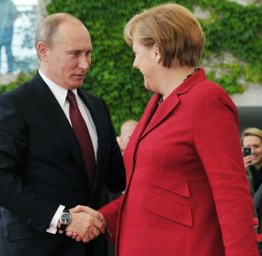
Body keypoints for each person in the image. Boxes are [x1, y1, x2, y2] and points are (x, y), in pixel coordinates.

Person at [72, 3, 259, 256]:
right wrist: (103, 217)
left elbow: (232, 198)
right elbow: (151, 192)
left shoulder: (206, 100)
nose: (135, 64)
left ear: (158, 52)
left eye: (137, 53)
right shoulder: (157, 104)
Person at [0, 13, 125, 256]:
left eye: (88, 53)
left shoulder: (97, 106)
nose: (85, 64)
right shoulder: (13, 105)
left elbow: (116, 179)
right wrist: (64, 218)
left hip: (95, 249)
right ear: (43, 50)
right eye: (75, 54)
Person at [241, 127, 262, 255]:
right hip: (250, 239)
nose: (253, 151)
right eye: (248, 148)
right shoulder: (239, 172)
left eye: (257, 146)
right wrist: (240, 174)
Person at [0, 0, 18, 74]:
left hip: (7, 30)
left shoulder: (9, 4)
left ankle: (10, 69)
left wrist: (9, 23)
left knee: (8, 50)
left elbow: (15, 14)